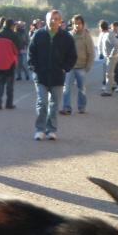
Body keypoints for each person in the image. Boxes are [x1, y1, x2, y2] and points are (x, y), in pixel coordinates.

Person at [28, 10, 77, 141]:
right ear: (46, 20)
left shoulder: (66, 37)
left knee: (54, 105)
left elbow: (72, 56)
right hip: (41, 76)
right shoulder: (39, 34)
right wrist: (34, 68)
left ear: (60, 21)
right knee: (42, 103)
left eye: (56, 19)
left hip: (57, 76)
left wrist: (65, 68)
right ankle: (40, 130)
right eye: (50, 18)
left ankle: (51, 130)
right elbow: (31, 53)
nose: (53, 21)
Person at [61, 14, 94, 115]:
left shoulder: (86, 36)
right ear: (72, 24)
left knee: (82, 89)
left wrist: (88, 67)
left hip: (81, 67)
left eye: (79, 23)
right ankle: (66, 107)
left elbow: (91, 53)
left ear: (82, 24)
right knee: (66, 88)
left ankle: (81, 107)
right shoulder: (68, 35)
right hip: (69, 67)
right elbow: (63, 51)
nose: (77, 25)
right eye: (75, 23)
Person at [0, 18, 20, 109]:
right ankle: (9, 104)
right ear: (11, 26)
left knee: (0, 83)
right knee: (9, 84)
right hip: (10, 62)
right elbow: (17, 50)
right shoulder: (13, 36)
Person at [100, 21, 118, 96]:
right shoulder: (107, 33)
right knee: (110, 73)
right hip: (109, 56)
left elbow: (116, 45)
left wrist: (112, 54)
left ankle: (108, 91)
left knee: (109, 74)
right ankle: (113, 85)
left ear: (101, 27)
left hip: (111, 57)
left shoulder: (109, 34)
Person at [97, 20, 109, 86]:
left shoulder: (108, 34)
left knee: (107, 71)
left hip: (107, 55)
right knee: (105, 70)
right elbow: (99, 44)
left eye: (99, 26)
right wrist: (100, 53)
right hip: (103, 55)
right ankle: (105, 83)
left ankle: (107, 84)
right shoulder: (101, 34)